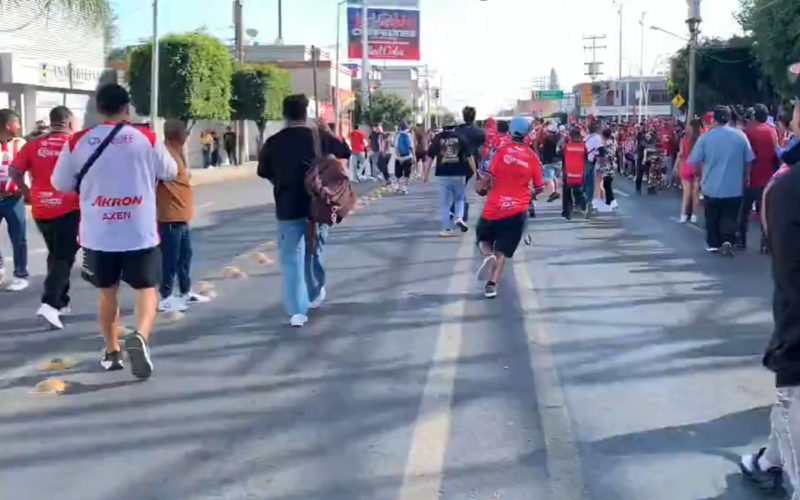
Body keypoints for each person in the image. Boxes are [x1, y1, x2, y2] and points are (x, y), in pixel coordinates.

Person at [51, 83, 178, 379]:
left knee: (107, 292)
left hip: (98, 234)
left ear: (99, 109)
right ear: (127, 108)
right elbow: (170, 171)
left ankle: (112, 352)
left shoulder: (78, 141)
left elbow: (60, 183)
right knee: (146, 289)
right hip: (139, 231)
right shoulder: (146, 137)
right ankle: (140, 336)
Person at [739, 103, 800, 496]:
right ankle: (770, 461)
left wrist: (788, 350)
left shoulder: (788, 186)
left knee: (792, 399)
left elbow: (791, 276)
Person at [257, 95, 351, 327]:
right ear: (305, 113)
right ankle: (315, 291)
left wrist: (280, 181)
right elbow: (345, 151)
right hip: (317, 206)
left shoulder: (274, 142)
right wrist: (327, 131)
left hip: (287, 207)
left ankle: (297, 312)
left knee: (291, 261)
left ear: (284, 114)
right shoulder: (317, 137)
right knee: (314, 252)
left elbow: (263, 171)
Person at [8, 106, 79, 329]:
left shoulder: (33, 144)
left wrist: (27, 193)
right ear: (69, 123)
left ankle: (62, 301)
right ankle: (50, 304)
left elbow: (14, 171)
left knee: (56, 253)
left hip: (41, 209)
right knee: (63, 257)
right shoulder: (74, 145)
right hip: (68, 208)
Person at [474, 116, 544, 299]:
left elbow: (487, 177)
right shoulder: (532, 157)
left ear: (511, 131)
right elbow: (539, 187)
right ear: (527, 132)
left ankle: (487, 255)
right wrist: (530, 195)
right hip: (517, 212)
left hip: (494, 208)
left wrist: (479, 188)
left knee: (483, 239)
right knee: (502, 250)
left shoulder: (501, 151)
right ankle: (491, 285)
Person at [157, 119, 210, 313]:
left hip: (181, 215)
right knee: (170, 258)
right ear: (174, 133)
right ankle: (165, 297)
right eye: (184, 131)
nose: (187, 134)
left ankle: (185, 292)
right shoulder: (163, 153)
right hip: (170, 216)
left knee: (185, 255)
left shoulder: (176, 151)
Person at [688, 105, 754, 256]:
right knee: (731, 214)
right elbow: (749, 159)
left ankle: (713, 243)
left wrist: (698, 174)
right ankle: (728, 239)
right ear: (729, 119)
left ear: (714, 119)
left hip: (711, 185)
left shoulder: (705, 138)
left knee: (712, 215)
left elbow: (695, 161)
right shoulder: (741, 136)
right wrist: (746, 175)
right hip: (734, 185)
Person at [424, 113, 476, 237]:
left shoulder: (437, 138)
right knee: (459, 198)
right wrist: (475, 172)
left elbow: (429, 158)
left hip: (443, 174)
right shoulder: (461, 137)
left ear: (443, 125)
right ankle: (459, 217)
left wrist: (425, 174)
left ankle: (447, 229)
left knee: (444, 203)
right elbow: (470, 156)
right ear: (454, 125)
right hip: (459, 173)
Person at [739, 103, 779, 249]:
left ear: (754, 116)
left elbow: (745, 156)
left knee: (743, 211)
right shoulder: (772, 131)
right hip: (768, 177)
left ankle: (741, 239)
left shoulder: (748, 132)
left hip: (751, 177)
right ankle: (766, 242)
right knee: (765, 212)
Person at [0, 108, 29, 291]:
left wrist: (26, 189)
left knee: (19, 238)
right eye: (17, 122)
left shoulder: (21, 144)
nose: (19, 126)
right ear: (7, 125)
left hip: (14, 198)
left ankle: (21, 275)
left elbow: (30, 168)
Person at [676, 118, 703, 224]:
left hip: (687, 165)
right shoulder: (700, 140)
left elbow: (681, 154)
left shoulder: (684, 140)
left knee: (686, 193)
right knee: (696, 193)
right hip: (698, 166)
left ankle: (683, 215)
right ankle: (694, 216)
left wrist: (677, 167)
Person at [562, 127, 588, 220]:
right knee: (580, 192)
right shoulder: (583, 147)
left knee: (567, 194)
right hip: (580, 174)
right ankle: (584, 206)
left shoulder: (567, 147)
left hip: (568, 175)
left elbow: (561, 155)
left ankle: (567, 213)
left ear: (570, 136)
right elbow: (586, 159)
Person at [584, 121, 603, 217]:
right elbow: (601, 151)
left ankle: (583, 202)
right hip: (590, 162)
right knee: (590, 184)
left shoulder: (585, 137)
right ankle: (589, 202)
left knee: (583, 182)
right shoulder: (597, 138)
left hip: (582, 161)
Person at [540, 121, 562, 203]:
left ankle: (553, 192)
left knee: (549, 178)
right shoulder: (559, 137)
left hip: (549, 161)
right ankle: (556, 191)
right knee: (554, 177)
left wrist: (542, 126)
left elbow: (539, 138)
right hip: (558, 161)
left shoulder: (547, 138)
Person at [394, 121, 414, 194]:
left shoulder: (397, 135)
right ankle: (404, 188)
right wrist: (414, 157)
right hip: (408, 157)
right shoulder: (409, 135)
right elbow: (411, 147)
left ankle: (398, 187)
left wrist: (398, 157)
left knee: (398, 175)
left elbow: (396, 148)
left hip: (399, 158)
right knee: (407, 174)